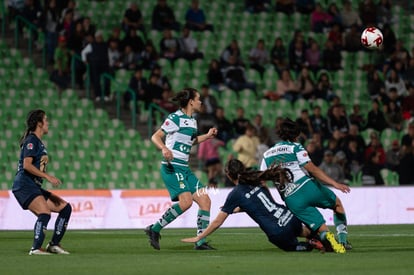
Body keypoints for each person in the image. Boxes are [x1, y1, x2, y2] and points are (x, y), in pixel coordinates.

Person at [181, 159, 325, 252]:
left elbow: (218, 221)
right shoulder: (256, 179)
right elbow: (260, 202)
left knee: (294, 247)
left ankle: (311, 245)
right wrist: (240, 209)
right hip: (289, 216)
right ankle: (324, 237)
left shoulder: (235, 193)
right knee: (304, 232)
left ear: (229, 175)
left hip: (278, 232)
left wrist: (200, 237)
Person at [260, 118, 351, 253]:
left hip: (291, 198)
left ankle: (328, 238)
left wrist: (271, 201)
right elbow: (312, 169)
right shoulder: (296, 147)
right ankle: (343, 241)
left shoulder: (267, 154)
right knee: (336, 204)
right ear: (296, 135)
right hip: (307, 187)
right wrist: (334, 183)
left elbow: (262, 180)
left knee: (321, 228)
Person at [145, 88, 218, 250]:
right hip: (172, 167)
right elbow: (155, 137)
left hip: (185, 168)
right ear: (191, 101)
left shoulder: (192, 120)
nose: (200, 102)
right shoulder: (175, 118)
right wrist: (164, 148)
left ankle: (200, 241)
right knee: (186, 203)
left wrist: (206, 136)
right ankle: (154, 228)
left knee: (205, 200)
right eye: (198, 99)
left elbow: (190, 141)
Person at [12, 110, 72, 255]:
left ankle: (54, 245)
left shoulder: (38, 142)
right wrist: (47, 177)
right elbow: (27, 165)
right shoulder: (32, 140)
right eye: (46, 120)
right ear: (39, 123)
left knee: (65, 208)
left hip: (33, 186)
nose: (48, 123)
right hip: (24, 185)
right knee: (44, 212)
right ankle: (36, 248)